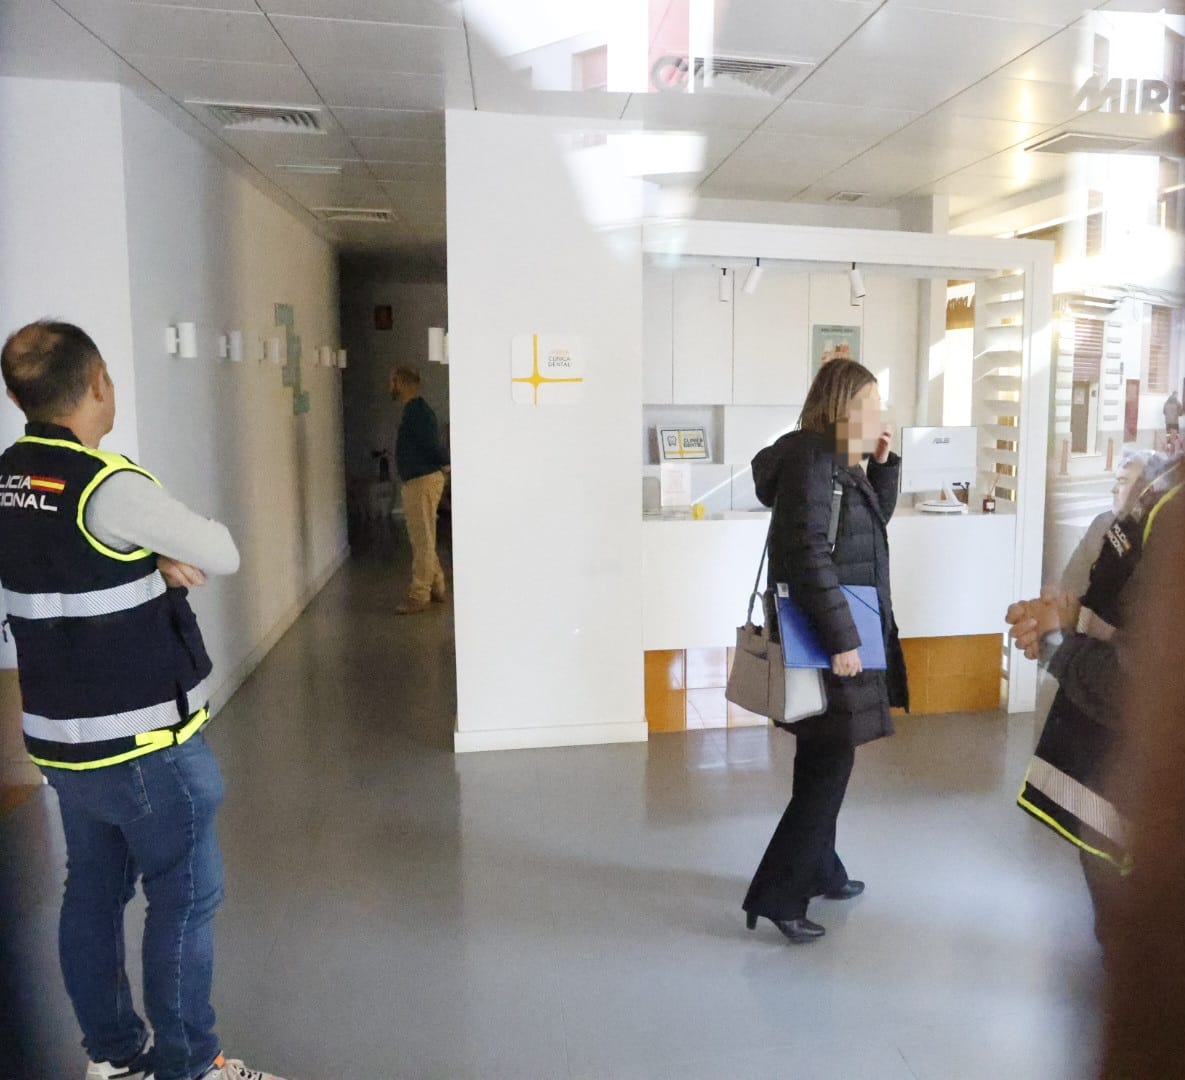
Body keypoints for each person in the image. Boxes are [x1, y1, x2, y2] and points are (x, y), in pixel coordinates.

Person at [0, 321, 287, 1080]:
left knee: (90, 894)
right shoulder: (108, 484)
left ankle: (115, 1061)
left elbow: (62, 577)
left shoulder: (7, 479)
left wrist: (147, 563)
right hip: (144, 748)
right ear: (98, 382)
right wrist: (162, 551)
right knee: (184, 900)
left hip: (59, 744)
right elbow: (219, 550)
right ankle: (191, 1066)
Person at [742, 359, 909, 944]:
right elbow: (807, 553)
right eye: (871, 402)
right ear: (842, 407)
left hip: (838, 625)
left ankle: (823, 869)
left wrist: (883, 464)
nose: (879, 413)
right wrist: (843, 642)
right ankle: (778, 894)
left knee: (822, 757)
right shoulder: (817, 458)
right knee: (829, 766)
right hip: (830, 631)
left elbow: (871, 525)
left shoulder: (834, 459)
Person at [1007, 449, 1183, 953]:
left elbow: (1141, 679)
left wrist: (1058, 641)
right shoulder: (1163, 493)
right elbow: (1125, 616)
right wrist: (1066, 619)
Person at [389, 366, 449, 615]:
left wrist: (445, 463)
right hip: (420, 480)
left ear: (402, 383)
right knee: (423, 536)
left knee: (422, 539)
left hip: (422, 481)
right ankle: (436, 585)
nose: (390, 387)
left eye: (392, 381)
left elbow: (431, 446)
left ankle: (419, 594)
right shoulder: (415, 411)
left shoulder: (417, 413)